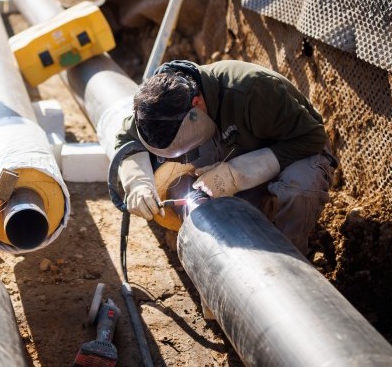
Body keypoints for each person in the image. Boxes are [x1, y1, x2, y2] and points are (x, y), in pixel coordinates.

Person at [115, 59, 337, 254]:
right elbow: (127, 139)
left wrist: (235, 174)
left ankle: (293, 263)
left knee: (298, 189)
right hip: (235, 153)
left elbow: (311, 138)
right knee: (232, 221)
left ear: (197, 105)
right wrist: (138, 184)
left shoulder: (253, 90)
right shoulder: (157, 107)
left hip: (294, 148)